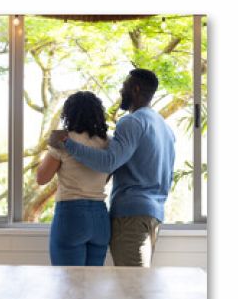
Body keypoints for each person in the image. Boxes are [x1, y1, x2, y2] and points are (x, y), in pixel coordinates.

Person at [50, 69, 175, 267]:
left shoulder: (132, 122)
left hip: (130, 215)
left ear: (135, 89)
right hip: (154, 215)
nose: (120, 90)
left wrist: (67, 143)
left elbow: (109, 162)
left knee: (133, 285)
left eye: (124, 86)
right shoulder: (165, 128)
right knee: (137, 283)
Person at [36, 91, 111, 266]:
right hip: (100, 217)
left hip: (71, 215)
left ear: (68, 114)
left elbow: (42, 178)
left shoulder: (62, 138)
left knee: (68, 285)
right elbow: (106, 176)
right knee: (92, 283)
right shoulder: (108, 142)